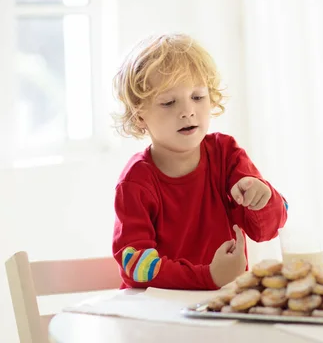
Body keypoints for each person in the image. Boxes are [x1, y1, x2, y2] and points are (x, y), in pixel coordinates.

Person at [111, 33, 288, 290]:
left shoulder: (226, 154)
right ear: (139, 117)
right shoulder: (136, 181)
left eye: (197, 97)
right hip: (157, 316)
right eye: (169, 102)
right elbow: (136, 266)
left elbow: (268, 229)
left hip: (221, 311)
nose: (187, 111)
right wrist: (208, 277)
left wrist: (263, 197)